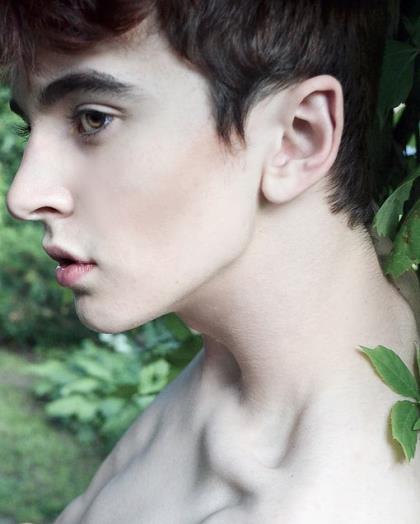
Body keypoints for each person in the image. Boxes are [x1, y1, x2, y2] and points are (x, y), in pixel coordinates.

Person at [1, 1, 419, 522]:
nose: (23, 195)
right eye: (29, 128)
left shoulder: (326, 506)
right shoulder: (235, 374)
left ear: (297, 137)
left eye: (93, 119)